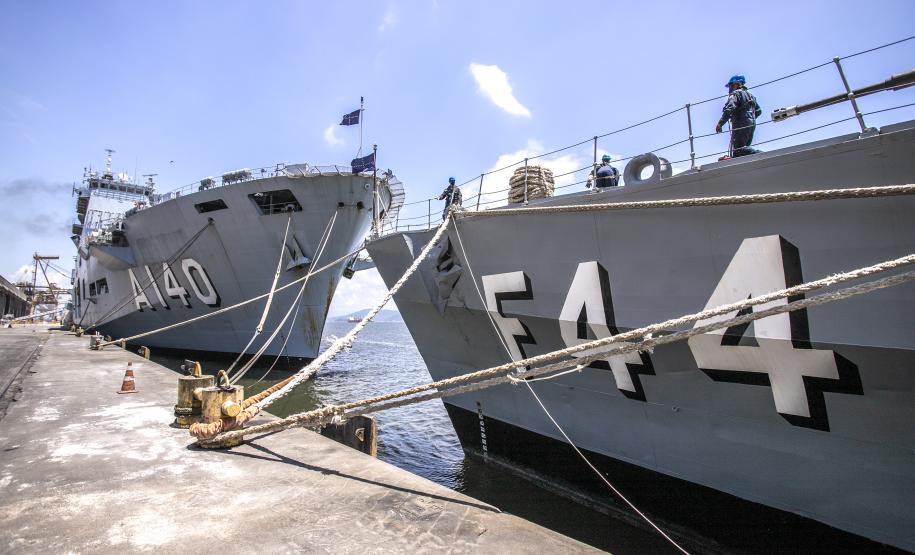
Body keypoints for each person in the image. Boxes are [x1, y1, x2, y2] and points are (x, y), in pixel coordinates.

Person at [716, 74, 763, 157]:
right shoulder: (751, 96)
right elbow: (758, 111)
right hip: (751, 124)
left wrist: (720, 124)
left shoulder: (735, 94)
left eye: (730, 86)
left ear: (736, 85)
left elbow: (730, 108)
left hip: (741, 123)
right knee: (743, 151)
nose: (729, 90)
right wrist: (749, 117)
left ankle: (760, 154)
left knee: (738, 150)